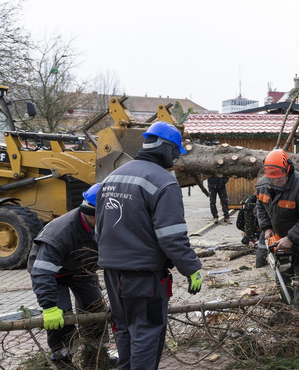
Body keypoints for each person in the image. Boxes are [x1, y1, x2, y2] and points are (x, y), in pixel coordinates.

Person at [95, 121, 203, 369]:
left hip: (112, 274)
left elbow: (99, 228)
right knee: (147, 333)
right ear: (165, 148)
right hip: (143, 278)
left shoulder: (113, 177)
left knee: (123, 329)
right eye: (175, 151)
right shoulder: (163, 181)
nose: (175, 158)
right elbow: (171, 236)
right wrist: (191, 267)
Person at [28, 183, 116, 369]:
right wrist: (49, 307)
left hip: (82, 271)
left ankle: (96, 355)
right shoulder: (60, 233)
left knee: (95, 309)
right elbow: (42, 272)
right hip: (53, 274)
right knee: (62, 315)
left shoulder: (105, 224)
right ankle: (63, 359)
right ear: (91, 213)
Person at [255, 149, 299, 310]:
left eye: (279, 179)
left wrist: (291, 238)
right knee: (283, 276)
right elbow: (261, 207)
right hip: (280, 236)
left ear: (288, 170)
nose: (275, 182)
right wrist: (267, 228)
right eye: (272, 179)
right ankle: (285, 310)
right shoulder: (263, 184)